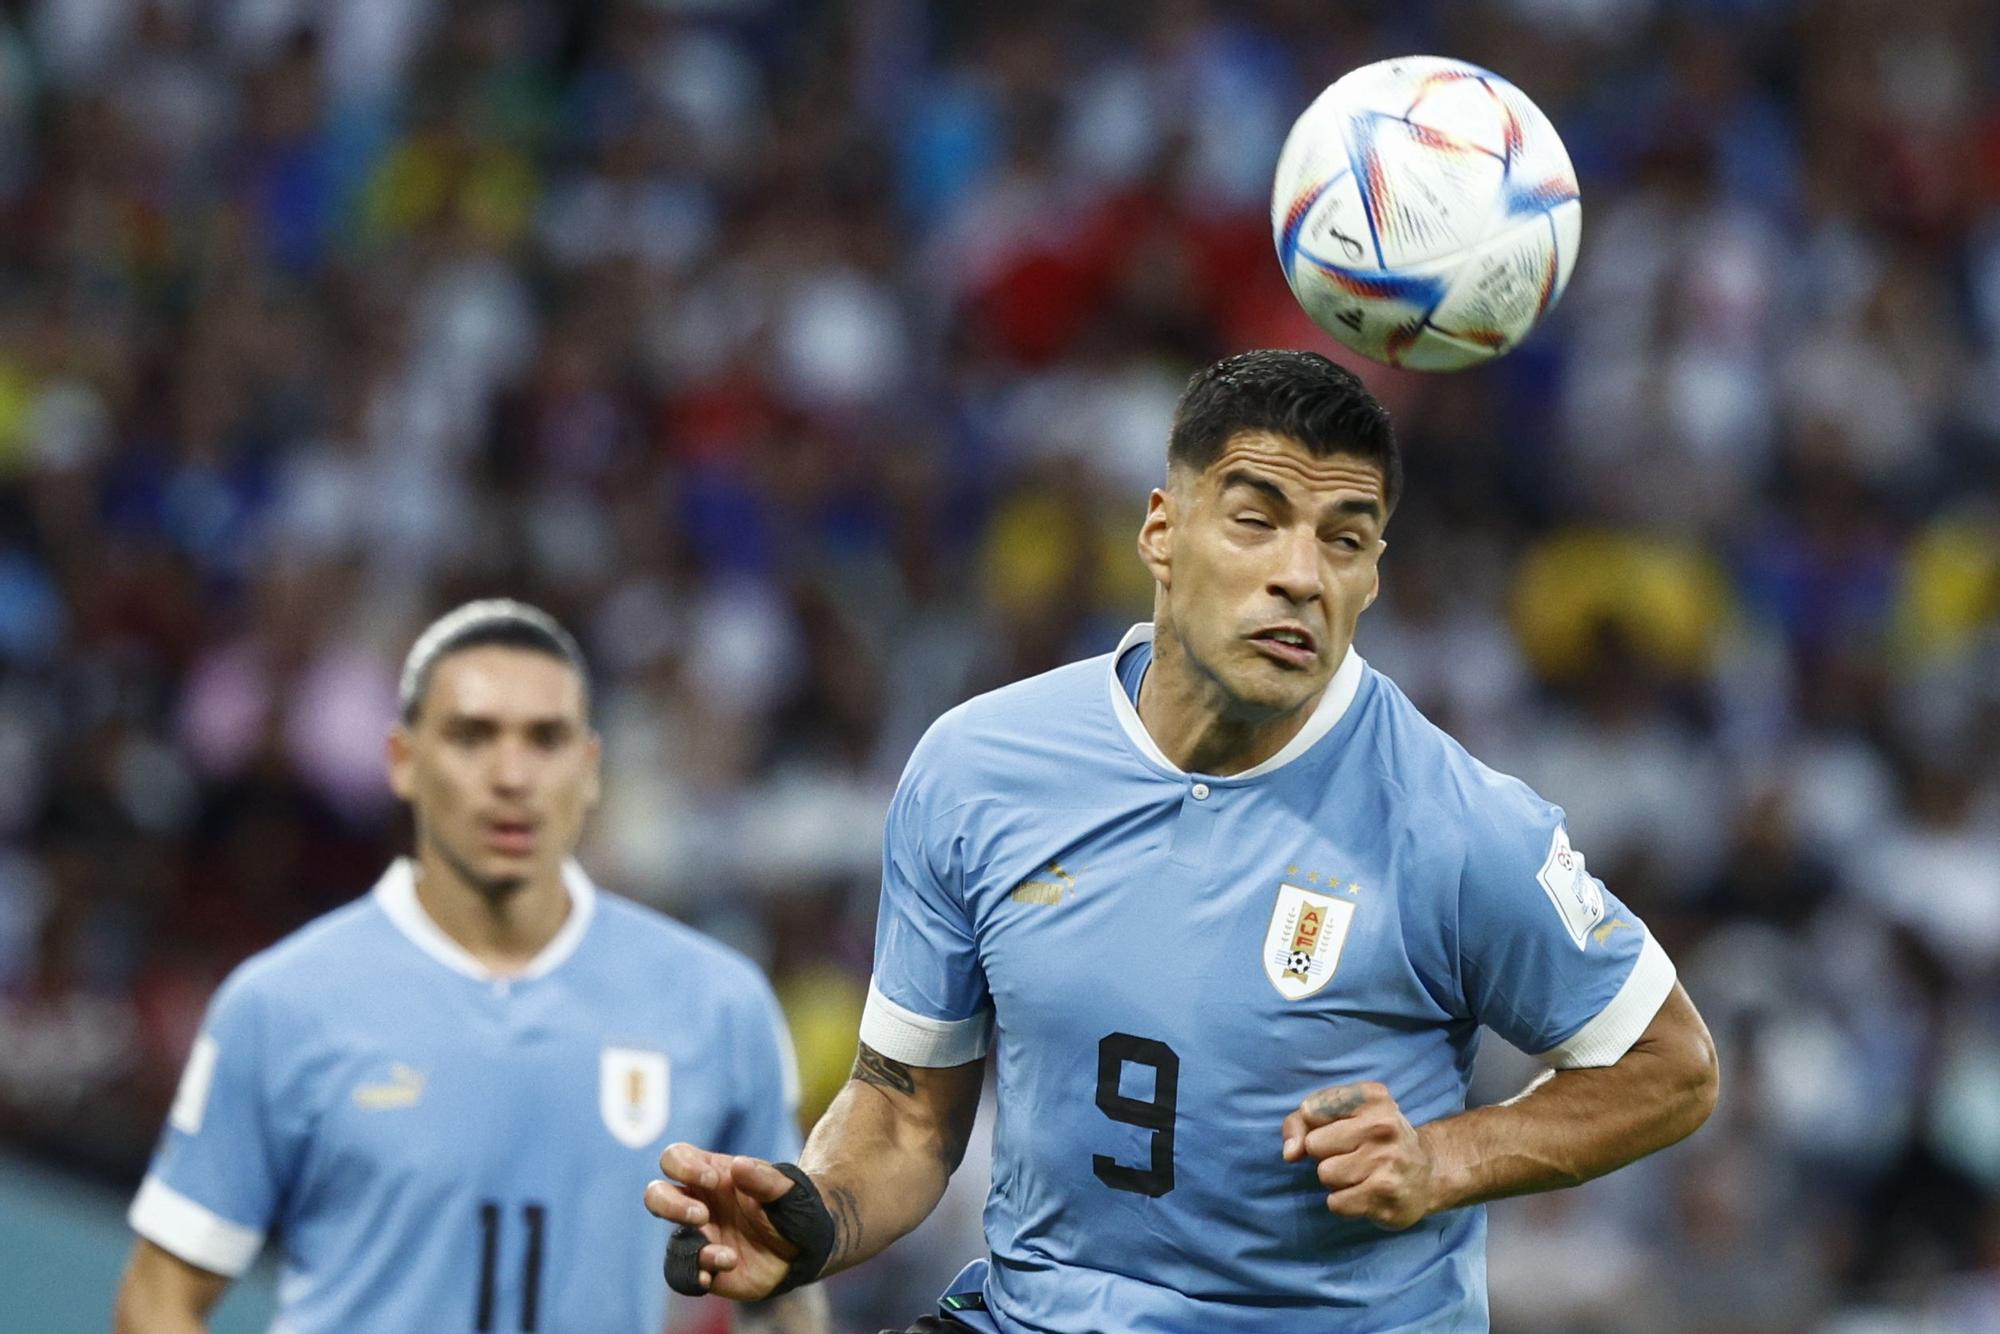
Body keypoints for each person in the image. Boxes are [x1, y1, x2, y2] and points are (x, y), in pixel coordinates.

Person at [644, 349, 1720, 1332]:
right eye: (1256, 520)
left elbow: (1668, 1065)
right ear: (1161, 529)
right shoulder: (977, 770)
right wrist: (818, 1216)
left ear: (1371, 575)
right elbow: (902, 1115)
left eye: (1342, 539)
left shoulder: (1453, 821)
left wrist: (1446, 1156)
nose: (1301, 573)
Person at [116, 600, 827, 1334]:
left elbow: (778, 1296)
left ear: (588, 770)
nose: (511, 775)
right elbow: (159, 1297)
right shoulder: (281, 1003)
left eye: (545, 740)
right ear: (403, 761)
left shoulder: (717, 1006)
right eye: (472, 736)